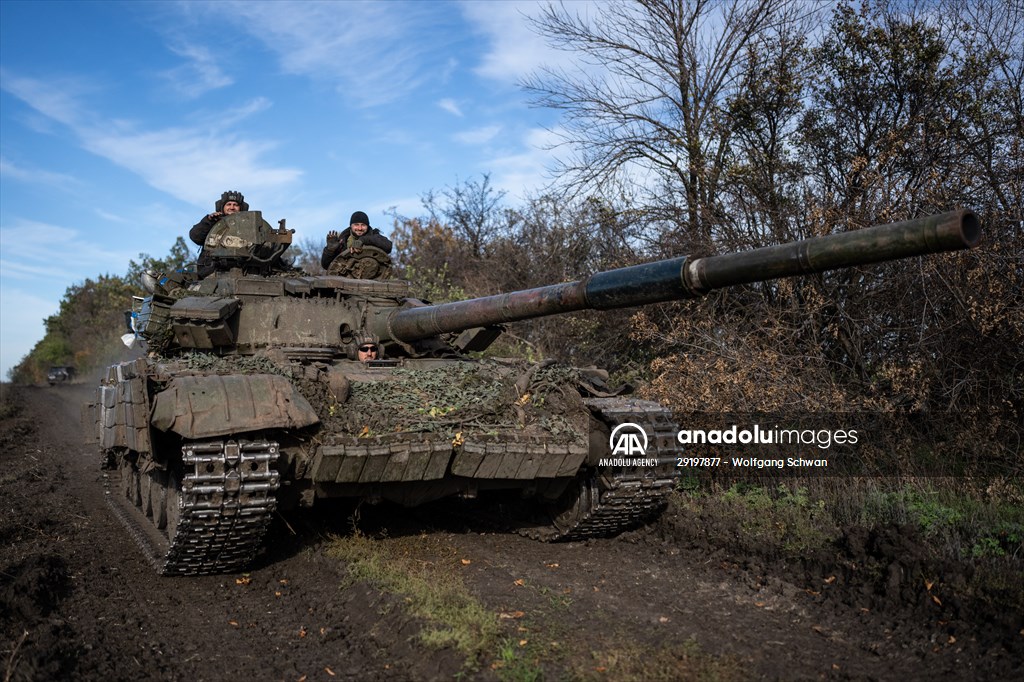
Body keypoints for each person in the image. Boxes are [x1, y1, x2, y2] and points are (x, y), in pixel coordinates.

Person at [190, 190, 248, 277]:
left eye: (235, 205)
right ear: (222, 207)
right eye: (228, 204)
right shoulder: (213, 222)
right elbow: (195, 236)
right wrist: (209, 221)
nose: (232, 207)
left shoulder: (247, 226)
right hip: (212, 272)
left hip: (242, 272)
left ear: (241, 208)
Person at [320, 211, 394, 277]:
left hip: (374, 281)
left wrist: (363, 240)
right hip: (346, 283)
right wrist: (330, 250)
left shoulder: (375, 236)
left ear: (367, 226)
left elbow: (388, 246)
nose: (360, 228)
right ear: (351, 225)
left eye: (363, 225)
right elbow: (326, 265)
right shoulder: (342, 241)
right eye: (356, 224)